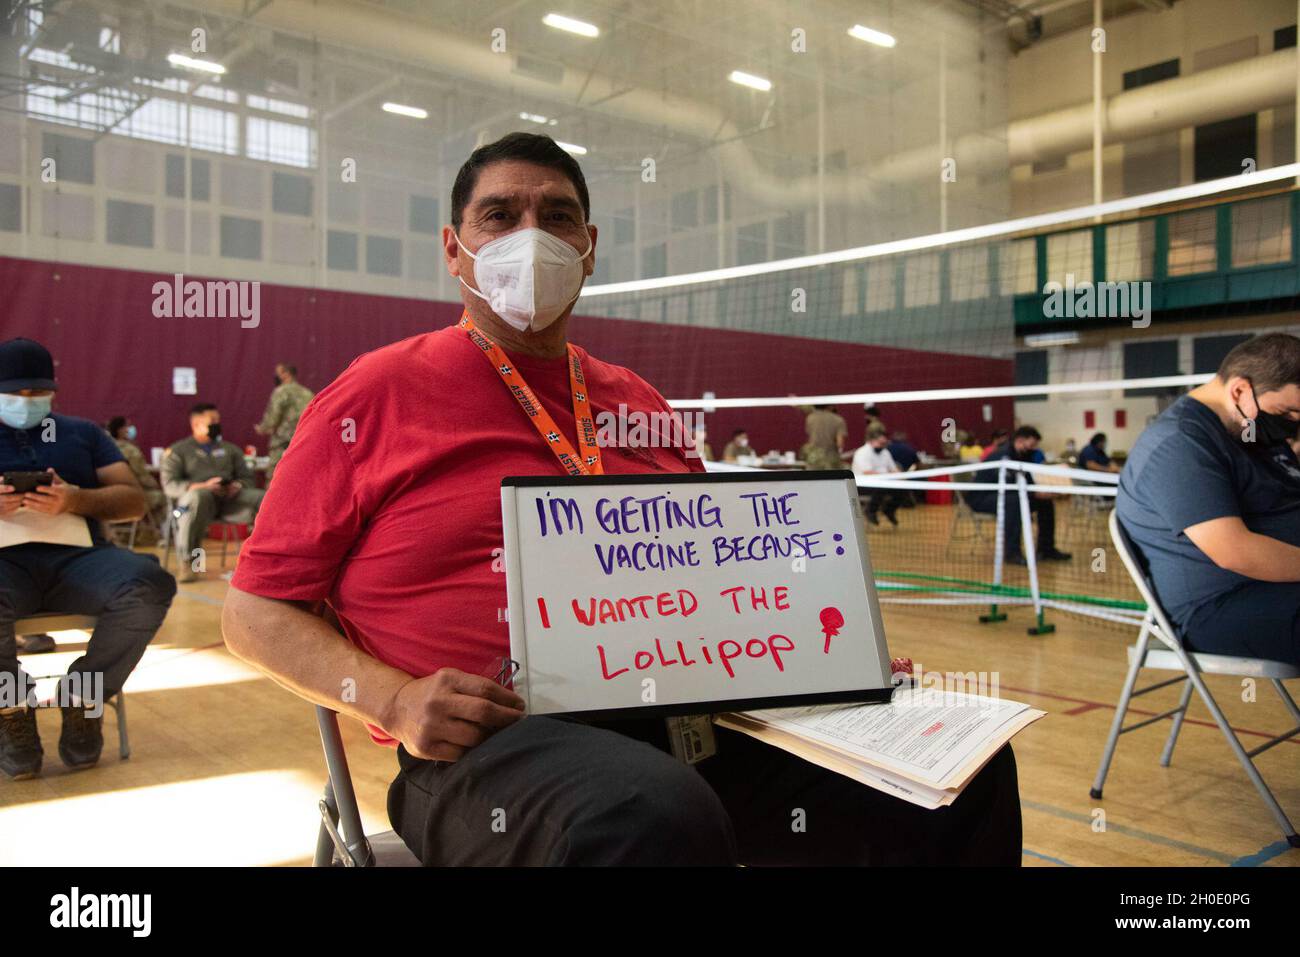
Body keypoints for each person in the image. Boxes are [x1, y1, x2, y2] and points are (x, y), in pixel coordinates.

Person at [221, 132, 1021, 867]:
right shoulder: (378, 393)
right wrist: (393, 699)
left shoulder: (637, 401)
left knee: (957, 754)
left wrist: (828, 659)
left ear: (588, 248)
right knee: (646, 814)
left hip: (690, 723)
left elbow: (715, 586)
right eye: (499, 215)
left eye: (557, 216)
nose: (529, 235)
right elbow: (252, 612)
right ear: (455, 251)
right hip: (487, 751)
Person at [0, 338, 176, 780]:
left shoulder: (83, 433)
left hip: (77, 561)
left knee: (148, 581)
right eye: (16, 394)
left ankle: (83, 696)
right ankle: (10, 708)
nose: (27, 403)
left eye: (36, 394)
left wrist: (75, 499)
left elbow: (132, 500)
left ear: (52, 391)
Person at [1116, 333, 1300, 666]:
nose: (1291, 424)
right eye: (1287, 412)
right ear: (1240, 390)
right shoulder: (1178, 444)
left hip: (1276, 587)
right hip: (1222, 605)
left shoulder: (1252, 431)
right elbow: (1235, 551)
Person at [161, 403, 265, 584]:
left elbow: (247, 477)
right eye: (212, 421)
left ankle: (264, 561)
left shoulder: (230, 449)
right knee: (197, 499)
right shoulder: (179, 451)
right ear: (196, 424)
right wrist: (202, 486)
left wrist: (238, 485)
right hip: (197, 504)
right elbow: (170, 485)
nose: (217, 424)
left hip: (229, 501)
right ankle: (191, 564)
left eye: (218, 420)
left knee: (264, 498)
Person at [966, 426, 1071, 565]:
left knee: (1045, 503)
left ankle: (1046, 549)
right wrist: (1035, 493)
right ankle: (1012, 553)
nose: (1034, 448)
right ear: (1020, 440)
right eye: (1032, 444)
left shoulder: (1024, 456)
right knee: (1014, 502)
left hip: (1008, 494)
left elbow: (1028, 480)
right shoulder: (1002, 456)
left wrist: (1045, 492)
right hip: (982, 497)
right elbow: (1008, 485)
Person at [254, 363, 314, 483]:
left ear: (286, 374)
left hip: (281, 443)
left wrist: (262, 428)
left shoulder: (281, 391)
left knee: (275, 479)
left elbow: (273, 417)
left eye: (278, 373)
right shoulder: (307, 393)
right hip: (302, 441)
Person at [105, 415, 167, 532]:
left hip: (108, 496)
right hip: (133, 496)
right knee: (163, 498)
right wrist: (157, 485)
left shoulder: (104, 447)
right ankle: (164, 535)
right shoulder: (131, 451)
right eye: (127, 426)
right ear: (120, 430)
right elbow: (142, 476)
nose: (130, 429)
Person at [852, 424, 903, 525]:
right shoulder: (862, 452)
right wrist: (887, 477)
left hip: (882, 483)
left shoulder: (885, 452)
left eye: (884, 443)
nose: (883, 445)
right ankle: (870, 511)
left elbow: (893, 469)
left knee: (903, 489)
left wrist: (902, 477)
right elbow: (867, 472)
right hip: (862, 485)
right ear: (872, 440)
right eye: (880, 443)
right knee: (881, 487)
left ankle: (889, 510)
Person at [800, 404, 847, 471]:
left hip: (813, 458)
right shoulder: (838, 420)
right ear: (830, 406)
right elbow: (840, 443)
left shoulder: (810, 418)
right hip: (831, 458)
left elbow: (809, 436)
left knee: (813, 479)